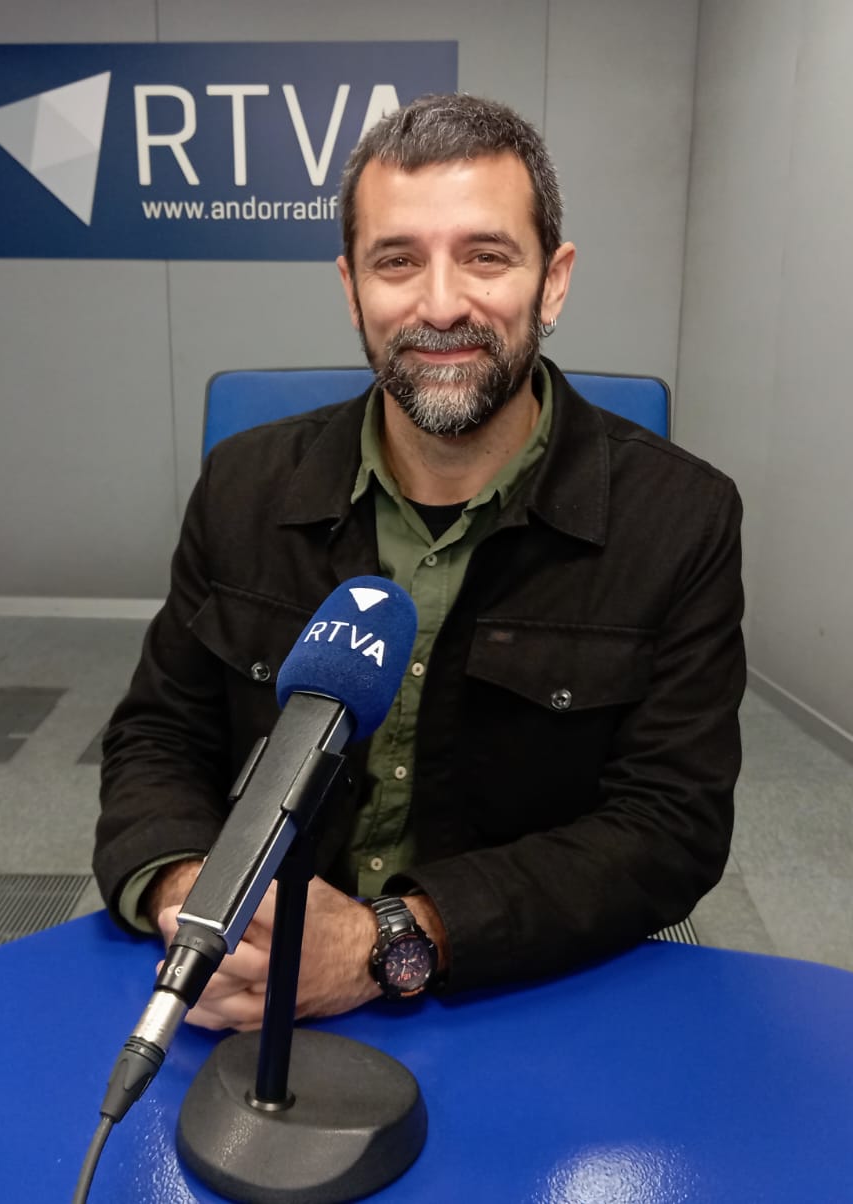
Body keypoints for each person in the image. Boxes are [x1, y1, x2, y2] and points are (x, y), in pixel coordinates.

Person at [93, 93, 744, 1031]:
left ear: (552, 283)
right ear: (352, 288)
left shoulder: (682, 517)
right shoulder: (242, 485)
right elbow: (158, 737)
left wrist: (393, 940)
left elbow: (668, 826)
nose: (442, 304)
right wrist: (198, 896)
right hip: (246, 976)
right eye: (397, 261)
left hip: (516, 985)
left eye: (487, 256)